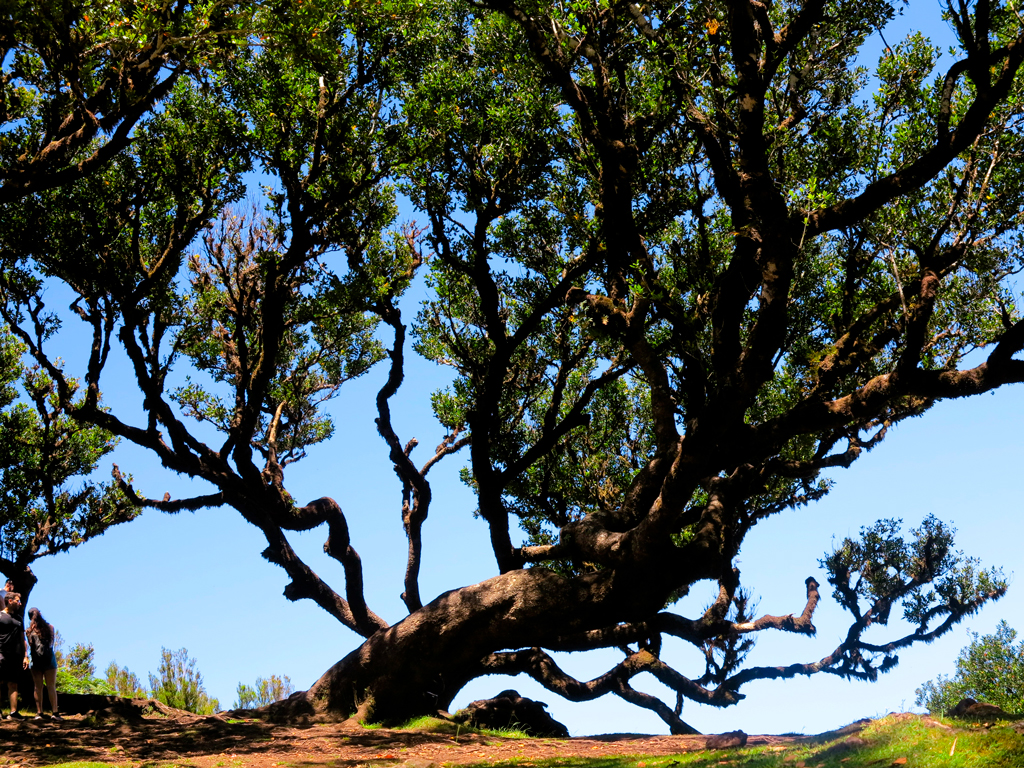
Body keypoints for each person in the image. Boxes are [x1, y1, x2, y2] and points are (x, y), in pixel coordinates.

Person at [25, 608, 60, 721]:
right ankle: (55, 712)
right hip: (49, 660)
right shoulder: (50, 627)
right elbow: (51, 644)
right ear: (40, 614)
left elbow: (31, 646)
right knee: (51, 686)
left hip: (36, 661)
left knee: (38, 687)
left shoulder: (29, 631)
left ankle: (39, 713)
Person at [0, 596, 27, 720]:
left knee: (13, 684)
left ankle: (13, 713)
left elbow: (23, 639)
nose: (20, 603)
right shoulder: (0, 616)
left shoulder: (19, 618)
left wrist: (25, 656)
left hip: (16, 656)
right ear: (10, 601)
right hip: (1, 653)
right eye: (18, 601)